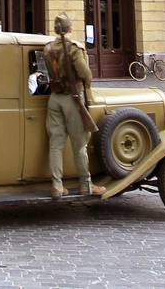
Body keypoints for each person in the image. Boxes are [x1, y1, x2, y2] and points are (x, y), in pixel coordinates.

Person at [44, 12, 102, 199]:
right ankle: (86, 184)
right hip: (72, 98)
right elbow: (85, 74)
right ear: (69, 28)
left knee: (55, 144)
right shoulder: (74, 49)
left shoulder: (48, 48)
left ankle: (57, 185)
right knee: (80, 145)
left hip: (54, 98)